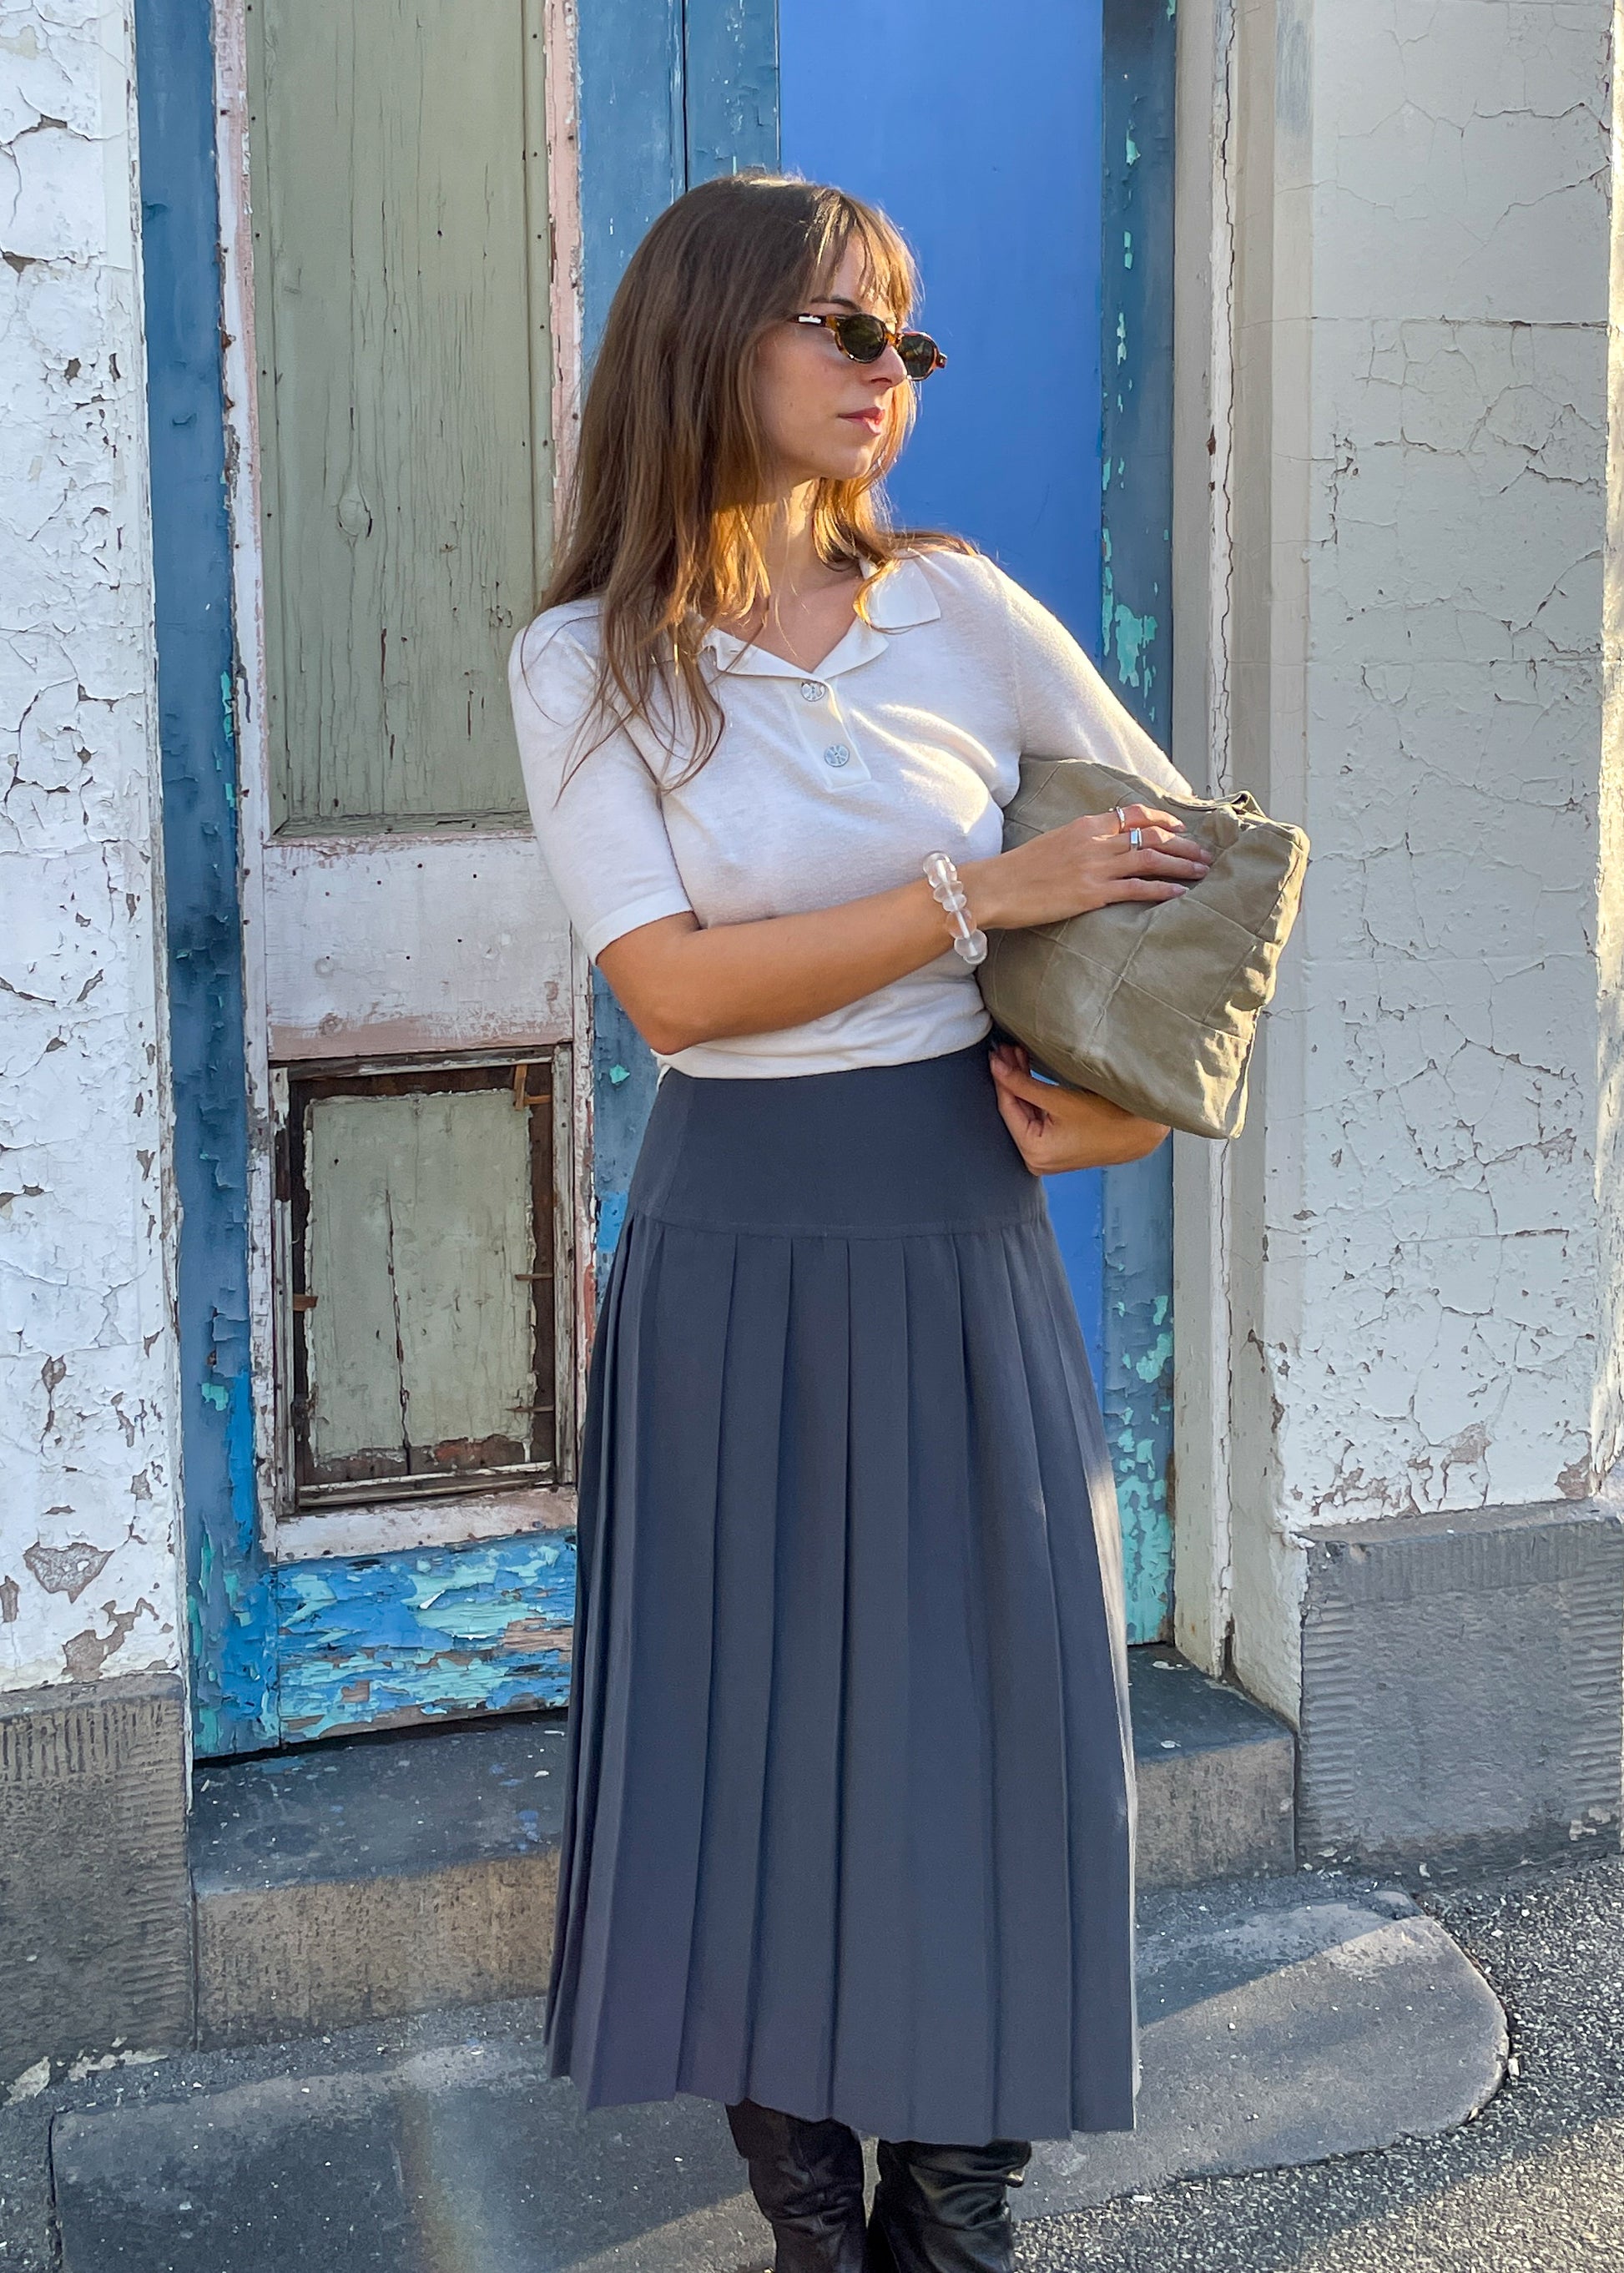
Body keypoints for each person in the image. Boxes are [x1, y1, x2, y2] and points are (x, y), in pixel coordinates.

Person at [507, 171, 1207, 2273]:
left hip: (957, 1215)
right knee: (746, 1743)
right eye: (843, 330)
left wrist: (1131, 1117)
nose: (885, 377)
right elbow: (675, 994)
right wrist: (977, 895)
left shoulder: (963, 613)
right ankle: (816, 2225)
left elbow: (1189, 885)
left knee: (992, 1727)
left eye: (908, 342)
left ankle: (956, 2223)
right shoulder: (589, 664)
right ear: (706, 339)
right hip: (732, 1232)